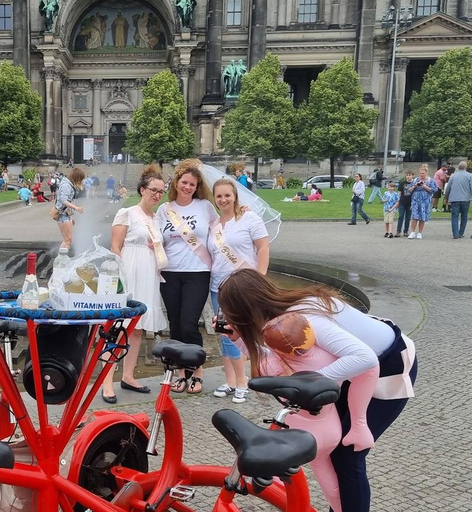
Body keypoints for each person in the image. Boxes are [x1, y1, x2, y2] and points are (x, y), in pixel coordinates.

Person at [218, 269, 417, 512]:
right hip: (352, 368)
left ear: (245, 313)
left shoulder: (306, 317)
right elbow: (278, 360)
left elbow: (364, 358)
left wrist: (309, 384)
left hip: (390, 365)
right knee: (334, 451)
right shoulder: (282, 317)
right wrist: (239, 340)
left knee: (348, 454)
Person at [101, 166, 168, 403]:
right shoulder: (127, 213)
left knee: (137, 327)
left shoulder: (157, 218)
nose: (157, 195)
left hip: (149, 272)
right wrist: (121, 277)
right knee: (119, 326)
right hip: (129, 270)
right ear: (142, 190)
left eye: (161, 191)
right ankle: (106, 381)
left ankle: (128, 376)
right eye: (153, 190)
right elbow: (115, 246)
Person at [156, 159, 218, 394]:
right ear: (177, 183)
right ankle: (182, 373)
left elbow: (222, 229)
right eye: (184, 182)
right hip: (170, 273)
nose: (188, 187)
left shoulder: (205, 207)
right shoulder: (165, 209)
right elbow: (156, 237)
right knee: (175, 325)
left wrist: (242, 212)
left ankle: (197, 371)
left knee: (189, 324)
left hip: (197, 272)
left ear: (197, 186)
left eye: (192, 184)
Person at [209, 178, 269, 404]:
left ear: (235, 196)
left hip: (243, 286)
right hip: (218, 286)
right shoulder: (214, 224)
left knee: (239, 332)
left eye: (227, 195)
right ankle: (231, 381)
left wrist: (260, 277)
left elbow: (263, 248)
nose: (223, 200)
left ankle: (243, 382)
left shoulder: (249, 218)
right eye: (219, 196)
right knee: (224, 332)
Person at [54, 167, 86, 250]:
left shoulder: (68, 184)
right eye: (81, 179)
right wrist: (76, 208)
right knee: (67, 240)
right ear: (77, 178)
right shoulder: (66, 185)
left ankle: (62, 256)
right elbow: (64, 200)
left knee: (68, 240)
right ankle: (62, 257)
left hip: (65, 214)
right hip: (62, 215)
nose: (81, 181)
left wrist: (71, 217)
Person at [407, 164, 438, 239]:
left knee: (422, 217)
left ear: (426, 173)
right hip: (415, 200)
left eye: (423, 173)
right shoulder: (415, 180)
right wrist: (415, 186)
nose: (421, 175)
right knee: (414, 216)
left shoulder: (430, 180)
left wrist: (424, 186)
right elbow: (409, 190)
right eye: (420, 173)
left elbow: (434, 190)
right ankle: (412, 232)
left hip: (425, 201)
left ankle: (420, 233)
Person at [445, 160, 472, 239]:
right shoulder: (470, 176)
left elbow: (448, 188)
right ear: (466, 167)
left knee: (454, 216)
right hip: (466, 199)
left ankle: (455, 234)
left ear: (458, 167)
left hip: (455, 199)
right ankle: (461, 233)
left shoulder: (453, 176)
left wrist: (446, 197)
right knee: (464, 216)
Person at [395, 171, 414, 237]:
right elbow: (399, 192)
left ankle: (406, 231)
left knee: (408, 217)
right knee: (401, 216)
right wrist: (398, 201)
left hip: (410, 203)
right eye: (407, 175)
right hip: (402, 202)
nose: (408, 176)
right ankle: (398, 231)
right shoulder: (402, 183)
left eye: (409, 175)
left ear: (412, 176)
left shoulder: (414, 183)